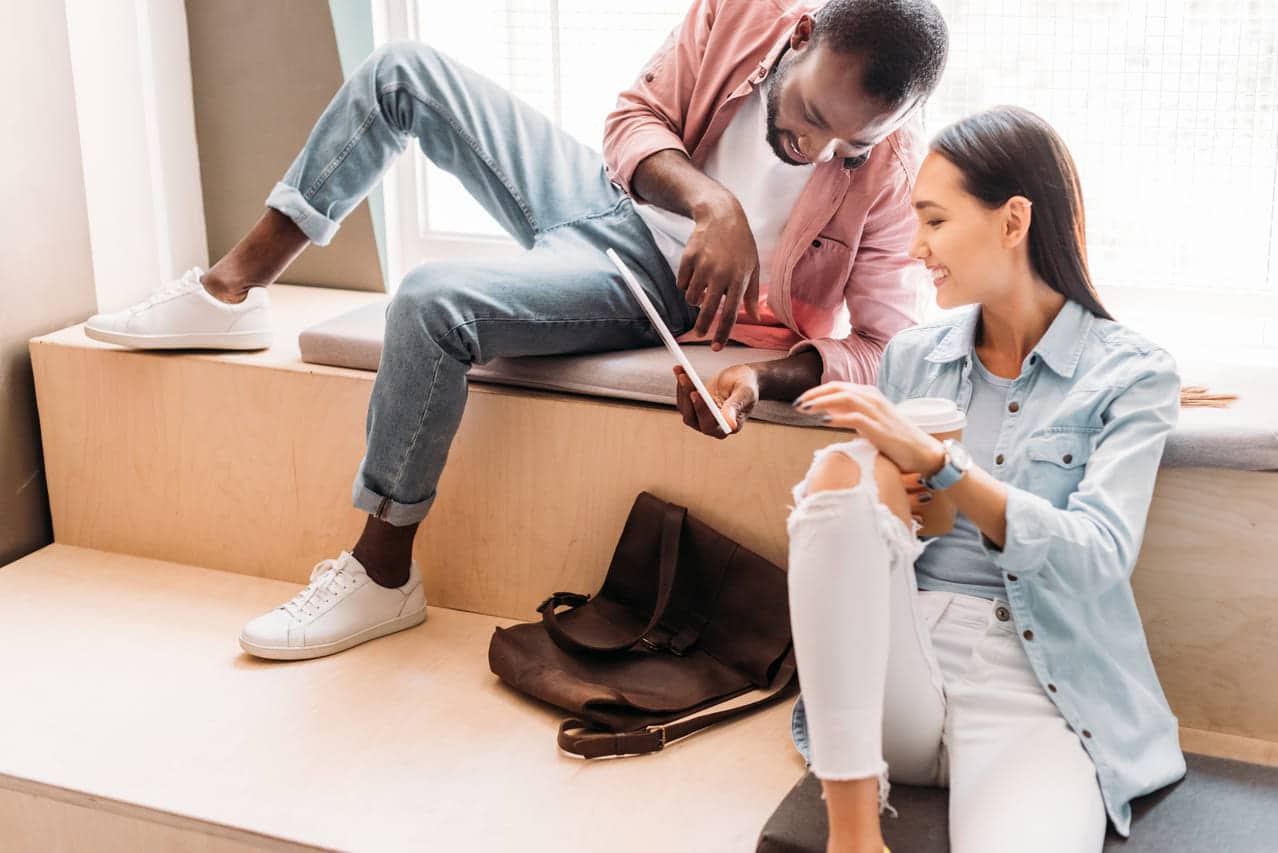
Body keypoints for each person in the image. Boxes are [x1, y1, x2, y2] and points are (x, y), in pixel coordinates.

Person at [81, 0, 948, 660]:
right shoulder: (746, 14)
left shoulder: (891, 174)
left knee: (429, 301)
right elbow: (630, 126)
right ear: (798, 40)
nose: (814, 148)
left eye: (848, 141)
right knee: (402, 71)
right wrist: (710, 201)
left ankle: (383, 571)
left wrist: (761, 378)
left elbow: (879, 344)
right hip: (610, 200)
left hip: (650, 285)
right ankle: (230, 292)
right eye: (809, 113)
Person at [785, 106, 1185, 853]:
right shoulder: (914, 355)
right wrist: (887, 491)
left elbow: (1100, 557)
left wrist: (942, 464)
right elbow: (865, 535)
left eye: (934, 221)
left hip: (1034, 679)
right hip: (900, 652)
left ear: (1013, 221)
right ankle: (852, 836)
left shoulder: (1133, 374)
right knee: (836, 471)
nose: (915, 247)